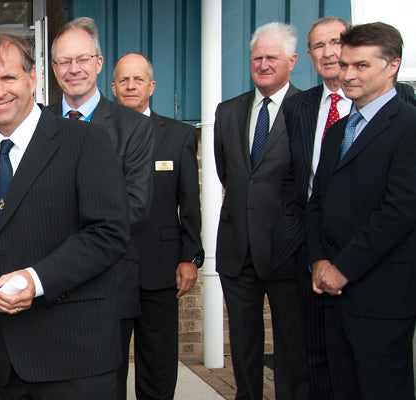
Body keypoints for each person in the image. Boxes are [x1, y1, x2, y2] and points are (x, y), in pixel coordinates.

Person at [0, 30, 130, 399]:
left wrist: (36, 279)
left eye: (9, 77)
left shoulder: (84, 141)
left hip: (78, 359)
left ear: (32, 78)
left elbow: (109, 233)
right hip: (11, 364)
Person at [276, 18, 416, 399]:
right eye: (346, 64)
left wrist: (342, 269)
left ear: (392, 66)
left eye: (361, 65)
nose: (347, 74)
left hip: (381, 296)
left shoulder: (408, 126)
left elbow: (400, 211)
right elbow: (316, 200)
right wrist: (319, 262)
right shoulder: (339, 129)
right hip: (332, 294)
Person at [44, 18, 153, 395]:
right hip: (45, 286)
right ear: (53, 68)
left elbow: (134, 208)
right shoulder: (36, 123)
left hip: (108, 285)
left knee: (104, 388)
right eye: (63, 61)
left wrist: (61, 241)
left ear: (99, 63)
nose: (73, 69)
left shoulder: (133, 127)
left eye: (82, 59)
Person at [213, 21, 307, 400]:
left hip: (286, 250)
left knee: (291, 346)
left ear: (292, 61)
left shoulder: (306, 109)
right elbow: (229, 174)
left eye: (272, 57)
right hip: (238, 252)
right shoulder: (227, 111)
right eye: (257, 57)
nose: (263, 64)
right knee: (244, 344)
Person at [111, 52, 202, 400]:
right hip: (110, 268)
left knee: (159, 362)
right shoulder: (93, 133)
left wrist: (190, 257)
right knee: (110, 363)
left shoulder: (178, 135)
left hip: (161, 268)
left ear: (151, 86)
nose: (131, 85)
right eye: (124, 80)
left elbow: (189, 201)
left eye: (138, 79)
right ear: (114, 87)